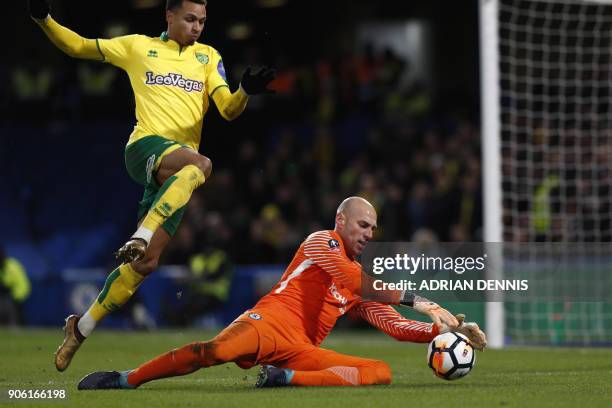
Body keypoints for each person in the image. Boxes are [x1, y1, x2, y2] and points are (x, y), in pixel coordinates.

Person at [27, 0, 276, 372]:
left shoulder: (208, 57)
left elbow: (227, 109)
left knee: (145, 265)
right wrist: (43, 18)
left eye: (203, 21)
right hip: (145, 147)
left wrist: (243, 90)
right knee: (202, 164)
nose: (197, 27)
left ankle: (80, 328)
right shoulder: (138, 47)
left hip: (179, 173)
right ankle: (141, 233)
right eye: (190, 19)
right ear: (169, 16)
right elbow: (78, 45)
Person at [77, 197, 486, 389]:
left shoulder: (358, 282)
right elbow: (349, 277)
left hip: (300, 349)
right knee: (215, 353)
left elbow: (393, 325)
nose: (369, 234)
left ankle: (284, 379)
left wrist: (448, 334)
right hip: (268, 322)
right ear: (341, 220)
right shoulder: (319, 243)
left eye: (374, 229)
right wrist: (420, 300)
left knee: (379, 372)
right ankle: (126, 379)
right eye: (363, 225)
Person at [0, 247, 31, 326]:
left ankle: (14, 326)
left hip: (16, 295)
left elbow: (21, 285)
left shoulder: (12, 266)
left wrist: (15, 298)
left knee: (13, 313)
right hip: (8, 295)